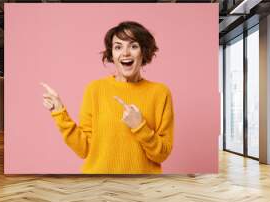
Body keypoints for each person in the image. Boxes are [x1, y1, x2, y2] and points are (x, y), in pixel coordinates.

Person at [41, 21, 174, 174]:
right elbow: (84, 149)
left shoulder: (160, 93)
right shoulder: (95, 89)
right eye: (118, 47)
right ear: (112, 54)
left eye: (133, 46)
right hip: (99, 187)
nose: (125, 53)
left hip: (142, 188)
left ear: (143, 52)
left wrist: (139, 126)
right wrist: (59, 113)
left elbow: (161, 155)